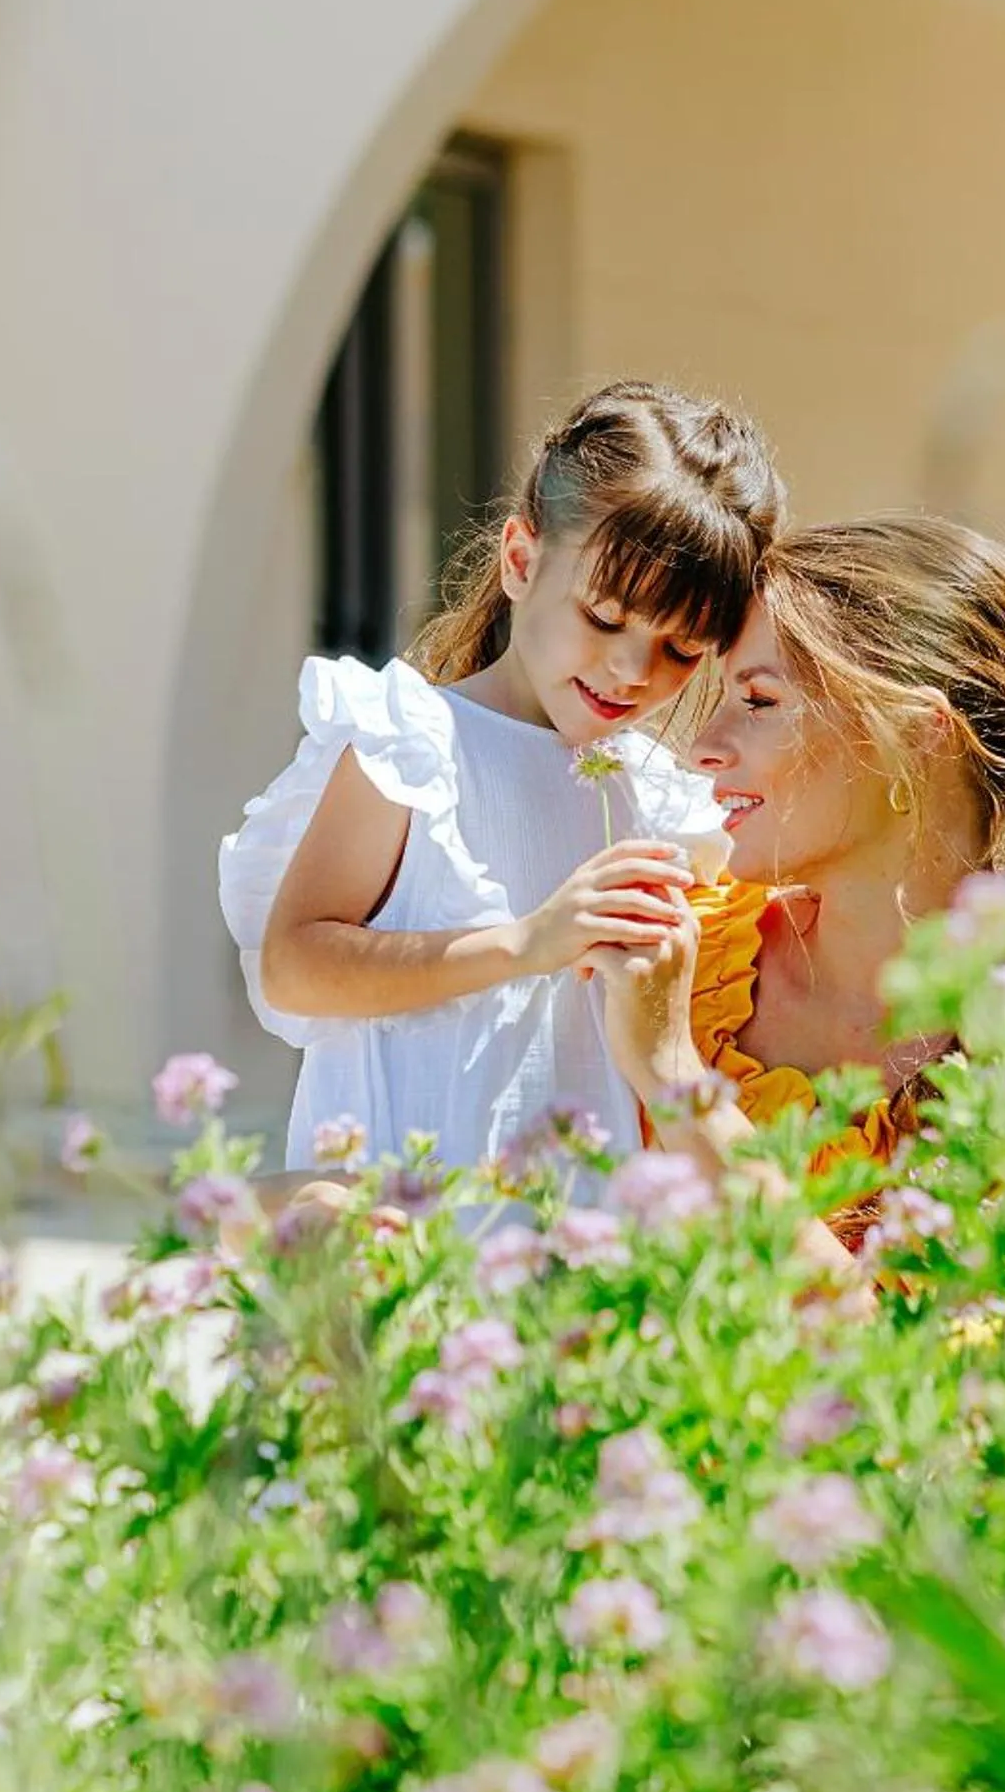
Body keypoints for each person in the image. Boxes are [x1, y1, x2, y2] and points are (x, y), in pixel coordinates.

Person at [218, 381, 782, 1190]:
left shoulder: (658, 801)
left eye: (681, 651)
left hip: (577, 1253)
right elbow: (294, 966)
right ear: (521, 561)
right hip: (405, 1237)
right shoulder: (413, 743)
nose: (632, 671)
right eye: (604, 618)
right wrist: (525, 944)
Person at [587, 514, 1005, 1242]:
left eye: (759, 702)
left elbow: (906, 1342)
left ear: (915, 734)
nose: (702, 749)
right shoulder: (676, 963)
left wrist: (673, 1075)